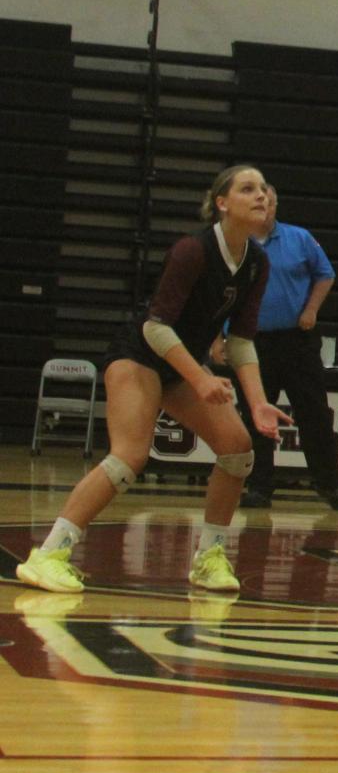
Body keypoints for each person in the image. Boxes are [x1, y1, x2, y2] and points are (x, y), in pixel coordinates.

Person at [16, 166, 290, 595]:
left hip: (177, 366)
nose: (262, 196)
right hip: (138, 355)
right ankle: (49, 553)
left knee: (237, 450)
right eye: (248, 189)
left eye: (265, 191)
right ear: (221, 202)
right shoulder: (192, 251)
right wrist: (200, 378)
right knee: (129, 456)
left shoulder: (257, 263)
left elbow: (239, 343)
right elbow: (155, 328)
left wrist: (256, 402)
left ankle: (208, 560)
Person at [227, 181, 338, 512]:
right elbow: (222, 290)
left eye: (268, 203)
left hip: (297, 341)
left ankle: (329, 484)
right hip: (252, 343)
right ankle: (260, 487)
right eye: (257, 202)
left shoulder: (299, 238)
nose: (263, 207)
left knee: (315, 413)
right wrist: (219, 336)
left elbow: (326, 274)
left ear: (275, 207)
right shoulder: (236, 243)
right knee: (257, 416)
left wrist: (311, 309)